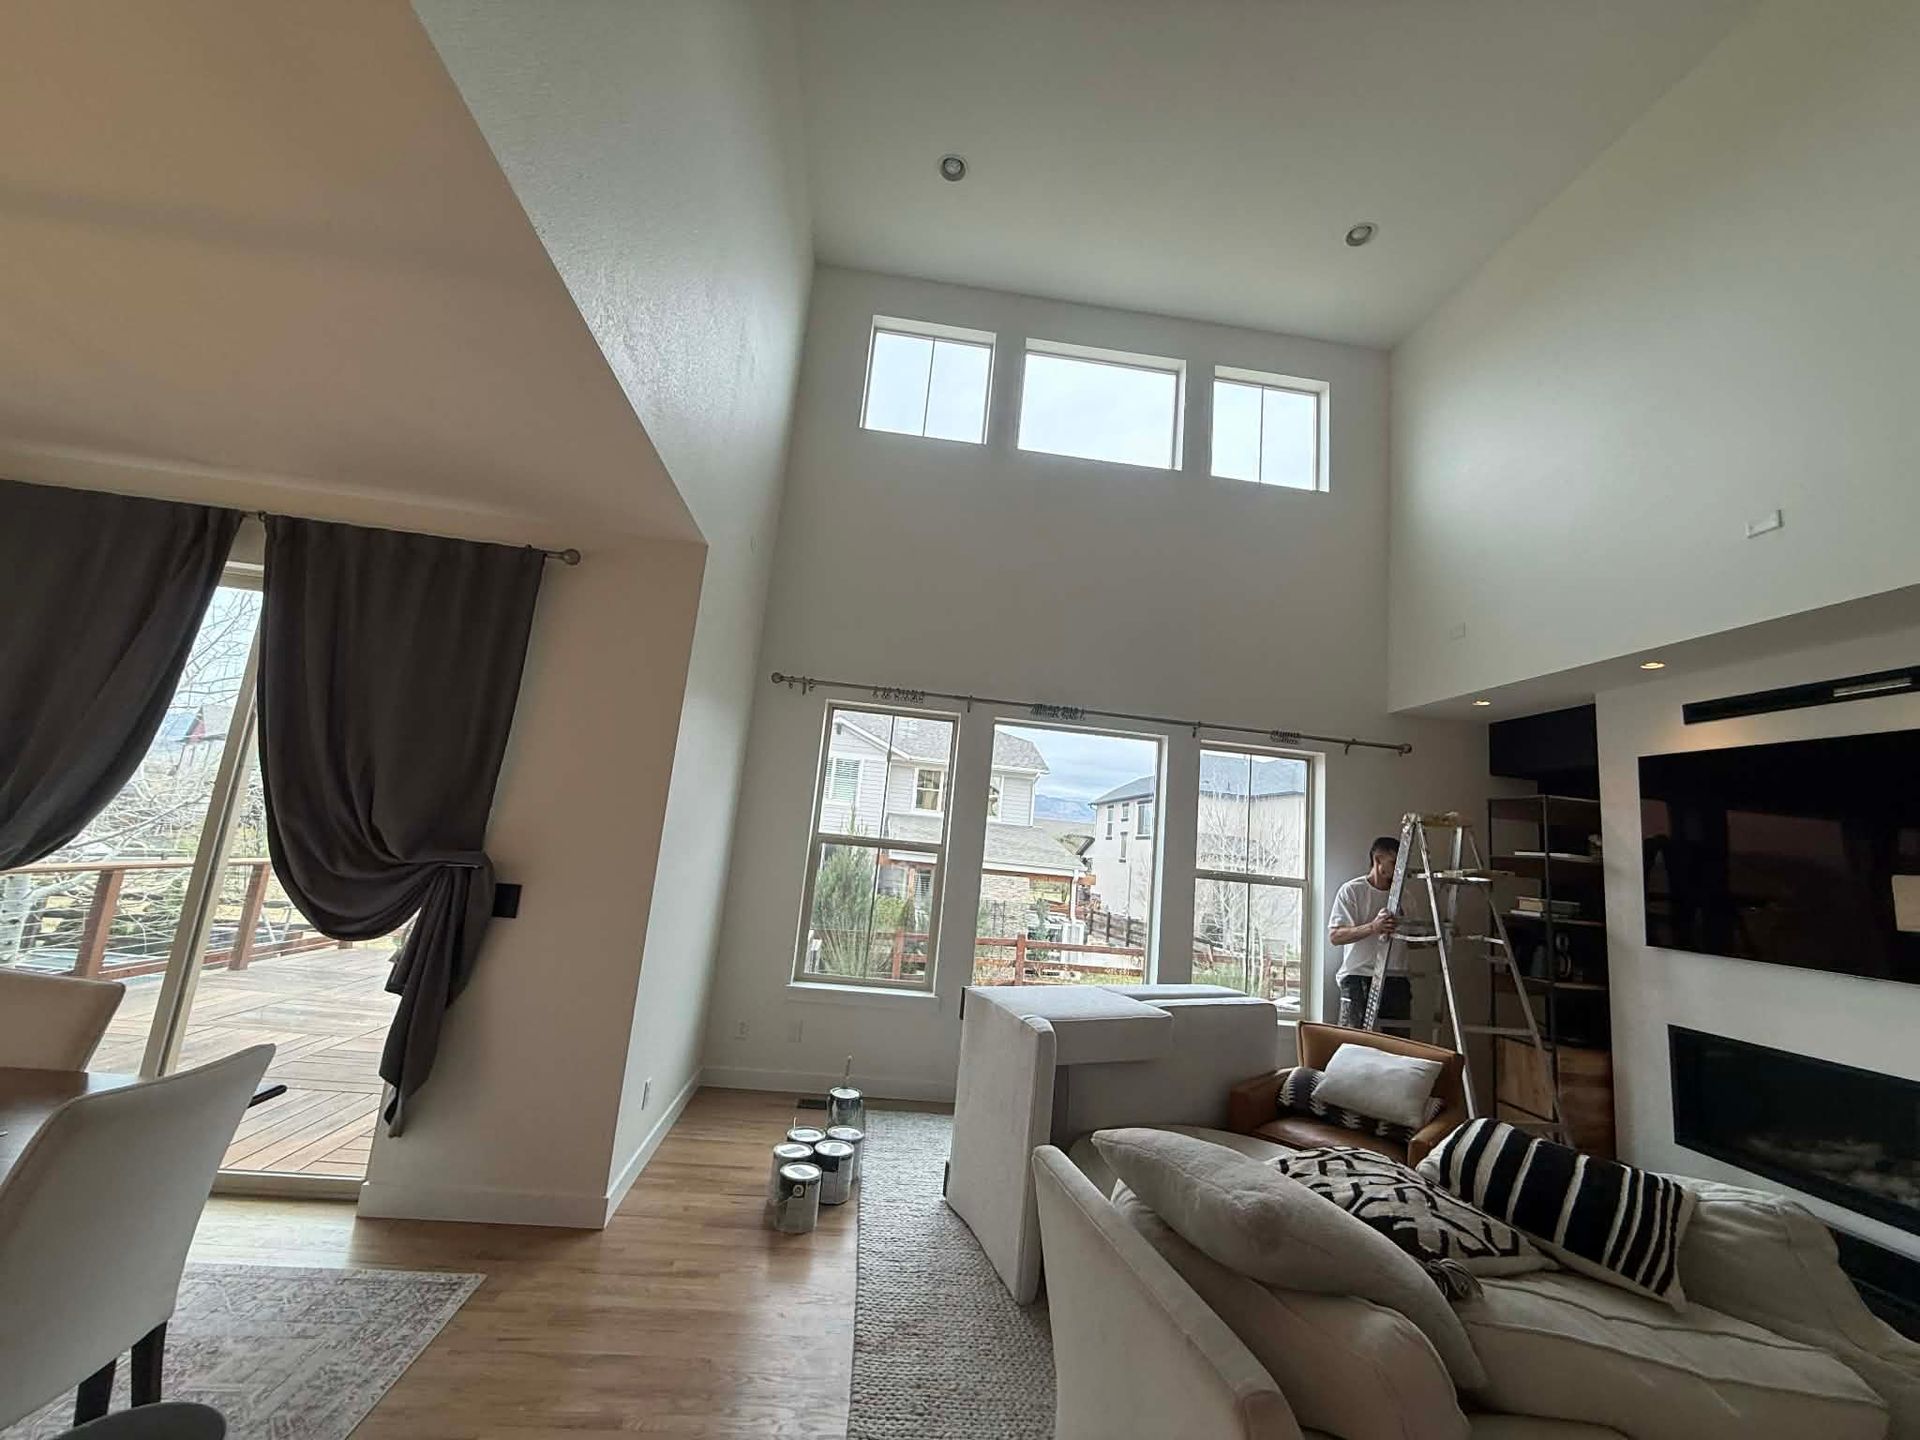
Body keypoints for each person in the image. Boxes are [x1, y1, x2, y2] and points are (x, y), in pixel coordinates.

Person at [1328, 835, 1411, 1034]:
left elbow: (1411, 940)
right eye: (1394, 862)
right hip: (1358, 976)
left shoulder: (1405, 897)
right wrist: (1373, 927)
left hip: (1395, 977)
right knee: (1354, 1042)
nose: (1400, 868)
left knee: (1398, 1045)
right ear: (1378, 860)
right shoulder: (1352, 892)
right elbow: (1335, 936)